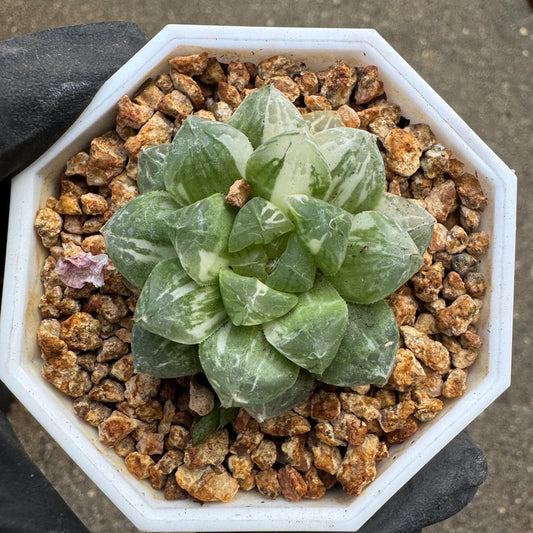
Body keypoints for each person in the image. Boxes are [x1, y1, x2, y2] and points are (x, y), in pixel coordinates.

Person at [0, 23, 487, 533]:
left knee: (378, 276)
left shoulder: (334, 236)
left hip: (306, 295)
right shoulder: (198, 228)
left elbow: (371, 220)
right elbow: (154, 249)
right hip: (225, 278)